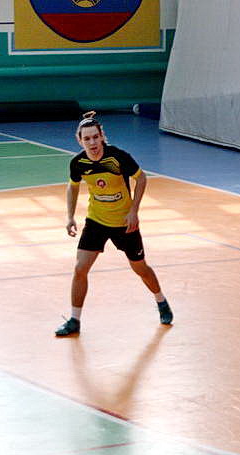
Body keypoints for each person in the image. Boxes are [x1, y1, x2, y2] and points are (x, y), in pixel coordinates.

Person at [55, 111, 172, 336]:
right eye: (87, 139)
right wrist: (70, 216)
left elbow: (141, 178)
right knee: (80, 268)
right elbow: (73, 186)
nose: (92, 143)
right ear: (80, 141)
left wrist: (134, 211)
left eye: (95, 137)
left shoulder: (118, 158)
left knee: (140, 268)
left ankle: (161, 301)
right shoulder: (78, 163)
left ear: (102, 137)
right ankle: (74, 320)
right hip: (96, 221)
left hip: (124, 223)